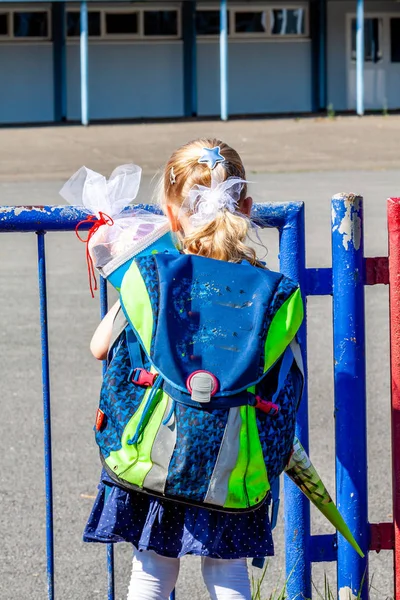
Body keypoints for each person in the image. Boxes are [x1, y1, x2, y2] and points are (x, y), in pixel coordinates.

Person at [84, 138, 303, 600]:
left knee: (151, 574)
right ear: (246, 206)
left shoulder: (156, 277)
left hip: (159, 454)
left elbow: (100, 346)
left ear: (169, 211)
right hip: (234, 459)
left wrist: (125, 266)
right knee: (227, 575)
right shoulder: (271, 292)